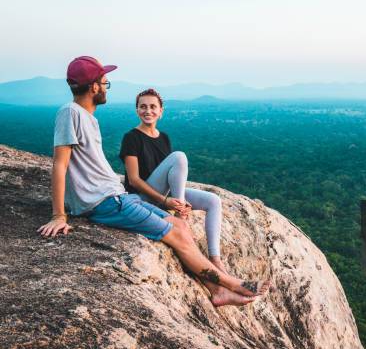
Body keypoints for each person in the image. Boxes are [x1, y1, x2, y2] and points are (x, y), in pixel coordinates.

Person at [37, 56, 270, 307]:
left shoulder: (86, 117)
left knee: (182, 228)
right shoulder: (70, 113)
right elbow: (60, 164)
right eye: (104, 82)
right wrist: (59, 214)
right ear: (94, 87)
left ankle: (217, 290)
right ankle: (234, 284)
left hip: (118, 198)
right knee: (176, 235)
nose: (106, 87)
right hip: (105, 202)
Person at [119, 88, 227, 272]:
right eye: (143, 106)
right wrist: (166, 201)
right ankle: (180, 215)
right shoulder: (131, 138)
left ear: (161, 111)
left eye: (153, 107)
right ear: (137, 110)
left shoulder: (164, 138)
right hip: (141, 199)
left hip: (164, 195)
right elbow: (134, 180)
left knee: (213, 201)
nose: (148, 111)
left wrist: (172, 198)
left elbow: (170, 175)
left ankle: (215, 259)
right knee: (179, 156)